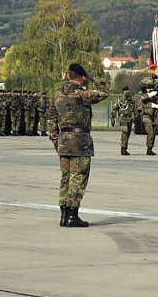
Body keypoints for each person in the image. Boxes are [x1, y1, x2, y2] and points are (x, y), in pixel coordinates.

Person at [49, 63, 109, 228]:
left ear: (69, 76)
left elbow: (51, 118)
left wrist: (55, 140)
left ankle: (64, 216)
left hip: (63, 140)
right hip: (80, 141)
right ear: (81, 77)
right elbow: (105, 92)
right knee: (78, 177)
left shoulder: (58, 94)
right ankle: (72, 216)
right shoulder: (82, 94)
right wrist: (92, 77)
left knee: (65, 178)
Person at [110, 86, 135, 155]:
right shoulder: (120, 100)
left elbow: (134, 109)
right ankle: (123, 149)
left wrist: (135, 117)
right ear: (123, 92)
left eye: (128, 90)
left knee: (128, 134)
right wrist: (112, 118)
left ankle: (125, 148)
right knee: (125, 133)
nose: (127, 92)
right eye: (125, 90)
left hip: (129, 119)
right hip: (123, 118)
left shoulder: (132, 100)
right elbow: (115, 109)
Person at [139, 85, 158, 155]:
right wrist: (151, 94)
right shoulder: (144, 96)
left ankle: (150, 148)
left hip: (153, 117)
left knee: (153, 134)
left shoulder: (155, 98)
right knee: (150, 132)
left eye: (151, 89)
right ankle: (148, 149)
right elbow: (143, 99)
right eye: (148, 89)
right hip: (146, 116)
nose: (150, 90)